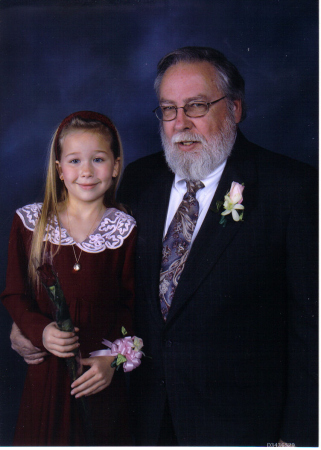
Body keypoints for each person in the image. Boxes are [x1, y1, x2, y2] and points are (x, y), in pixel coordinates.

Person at [10, 47, 318, 446]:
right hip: (139, 417)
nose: (180, 123)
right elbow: (103, 284)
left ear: (236, 109)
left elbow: (313, 335)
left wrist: (299, 440)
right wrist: (29, 327)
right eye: (169, 109)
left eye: (197, 106)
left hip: (239, 427)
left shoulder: (291, 189)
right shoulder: (139, 180)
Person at [1, 111, 136, 445]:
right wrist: (41, 330)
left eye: (98, 159)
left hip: (98, 378)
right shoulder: (30, 223)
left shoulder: (125, 230)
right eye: (75, 160)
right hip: (47, 376)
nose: (86, 171)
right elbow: (14, 295)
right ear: (60, 170)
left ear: (116, 166)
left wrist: (112, 361)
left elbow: (133, 307)